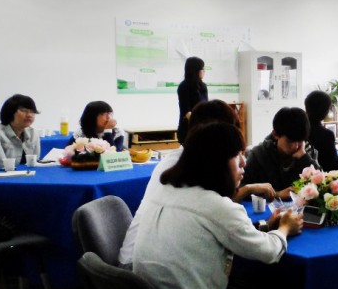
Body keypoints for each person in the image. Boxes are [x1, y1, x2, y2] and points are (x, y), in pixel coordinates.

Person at [133, 122, 302, 289]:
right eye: (237, 155)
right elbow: (268, 252)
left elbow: (219, 234)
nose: (244, 163)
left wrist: (266, 225)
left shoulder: (166, 193)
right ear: (215, 162)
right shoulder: (216, 206)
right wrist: (285, 228)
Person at [118, 99, 275, 268]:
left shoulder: (183, 161)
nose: (242, 160)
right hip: (139, 267)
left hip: (149, 261)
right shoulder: (184, 167)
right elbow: (215, 211)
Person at [242, 107, 317, 199]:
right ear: (275, 134)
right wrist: (276, 195)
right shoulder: (258, 155)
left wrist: (304, 158)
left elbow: (322, 184)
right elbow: (242, 191)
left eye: (300, 141)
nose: (296, 146)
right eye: (290, 141)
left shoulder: (307, 152)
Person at [0, 94, 41, 173]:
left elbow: (35, 162)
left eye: (32, 111)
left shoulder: (33, 133)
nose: (29, 115)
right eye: (23, 110)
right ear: (10, 112)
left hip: (27, 176)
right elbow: (0, 166)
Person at [177, 56, 209, 144]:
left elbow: (206, 106)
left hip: (202, 127)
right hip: (188, 129)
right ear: (195, 71)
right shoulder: (183, 86)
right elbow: (186, 111)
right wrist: (201, 123)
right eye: (202, 69)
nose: (204, 71)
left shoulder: (203, 86)